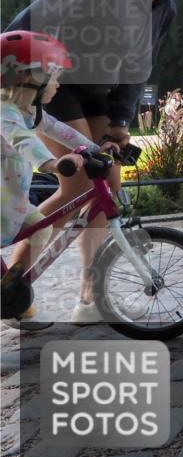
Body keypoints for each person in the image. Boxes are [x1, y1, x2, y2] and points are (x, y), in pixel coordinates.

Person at [5, 0, 183, 324]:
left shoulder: (163, 6)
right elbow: (36, 17)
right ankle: (11, 289)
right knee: (79, 180)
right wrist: (23, 78)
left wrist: (119, 122)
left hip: (94, 92)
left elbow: (137, 68)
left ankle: (90, 295)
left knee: (106, 183)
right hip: (53, 86)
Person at [1, 31, 118, 330]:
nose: (58, 84)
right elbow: (24, 141)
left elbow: (60, 131)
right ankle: (10, 299)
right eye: (54, 76)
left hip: (11, 205)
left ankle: (15, 301)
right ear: (30, 80)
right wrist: (53, 163)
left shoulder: (31, 112)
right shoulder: (6, 115)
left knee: (40, 229)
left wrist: (95, 149)